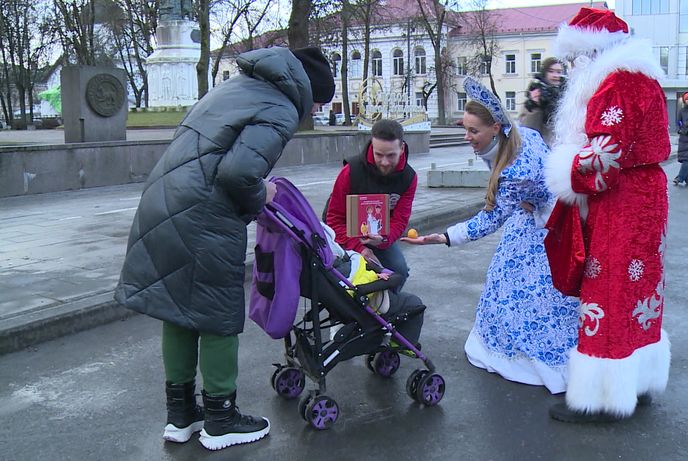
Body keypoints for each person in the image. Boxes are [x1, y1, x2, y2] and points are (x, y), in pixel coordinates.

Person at [114, 46, 335, 450]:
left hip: (164, 200)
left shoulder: (238, 88)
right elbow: (239, 173)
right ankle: (220, 418)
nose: (315, 111)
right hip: (205, 215)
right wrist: (263, 194)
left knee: (178, 310)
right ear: (309, 90)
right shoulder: (281, 107)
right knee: (217, 314)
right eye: (320, 103)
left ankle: (180, 416)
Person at [402, 77, 579, 394]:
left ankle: (541, 357)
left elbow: (490, 218)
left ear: (495, 127)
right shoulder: (520, 135)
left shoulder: (514, 171)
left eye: (473, 131)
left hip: (550, 226)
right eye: (465, 128)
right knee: (507, 283)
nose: (467, 137)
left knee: (537, 294)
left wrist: (444, 237)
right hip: (535, 214)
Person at [543, 8, 671, 423]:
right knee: (639, 285)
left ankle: (600, 397)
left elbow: (603, 156)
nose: (570, 67)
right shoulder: (640, 77)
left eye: (575, 57)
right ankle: (636, 381)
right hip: (644, 196)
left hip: (620, 201)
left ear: (592, 50)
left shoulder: (615, 82)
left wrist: (562, 170)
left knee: (609, 287)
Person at [324, 119, 417, 291]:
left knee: (399, 271)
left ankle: (387, 309)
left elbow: (400, 221)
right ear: (372, 147)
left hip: (379, 236)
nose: (384, 162)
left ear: (402, 148)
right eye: (379, 154)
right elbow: (334, 219)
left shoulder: (409, 178)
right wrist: (360, 249)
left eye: (391, 155)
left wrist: (383, 239)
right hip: (343, 234)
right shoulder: (351, 172)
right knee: (345, 280)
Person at [519, 57, 565, 143]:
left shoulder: (567, 94)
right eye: (551, 71)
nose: (555, 75)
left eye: (559, 72)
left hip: (562, 146)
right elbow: (527, 129)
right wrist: (535, 105)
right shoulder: (536, 92)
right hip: (543, 146)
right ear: (544, 73)